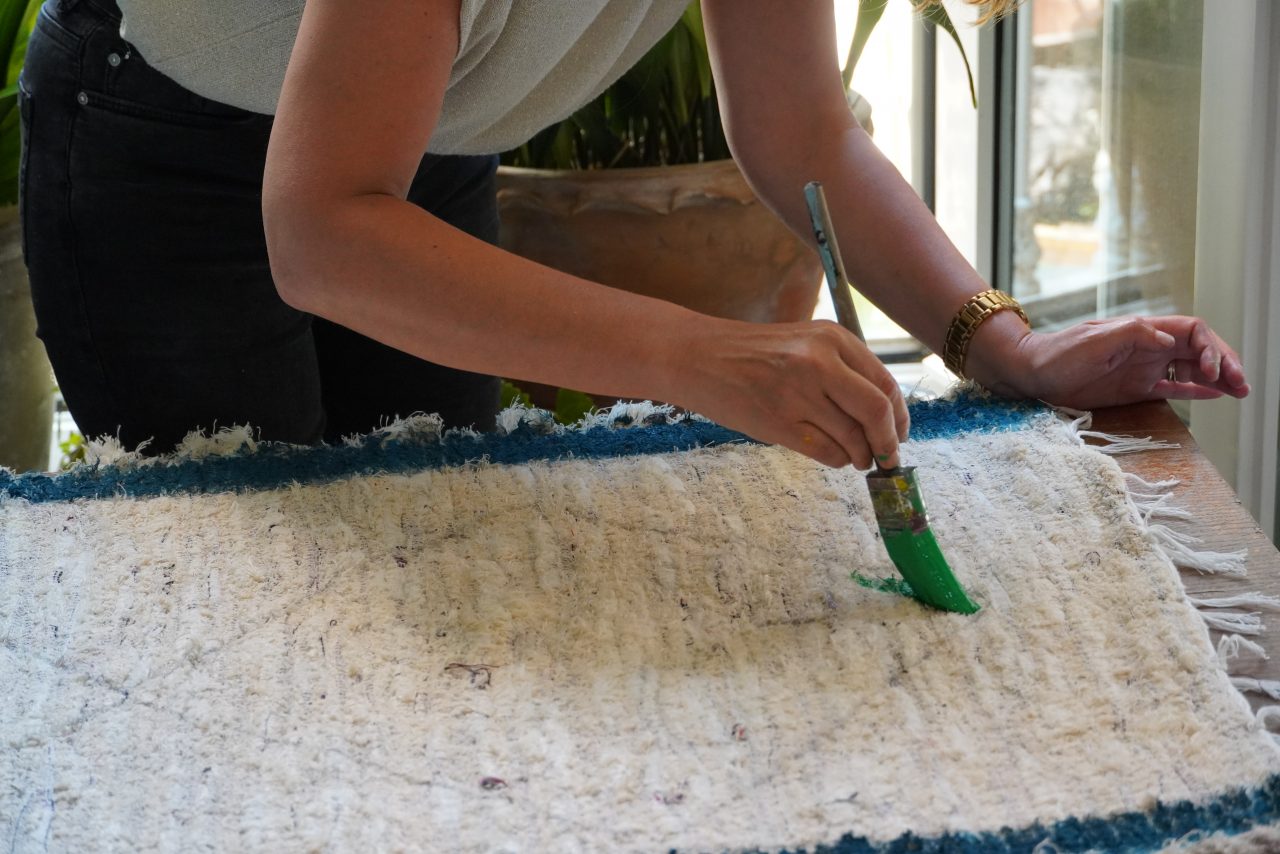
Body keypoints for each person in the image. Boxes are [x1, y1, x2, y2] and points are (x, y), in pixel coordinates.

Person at [19, 0, 1248, 472]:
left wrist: (1006, 346)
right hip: (166, 145)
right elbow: (322, 232)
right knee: (247, 642)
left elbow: (803, 133)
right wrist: (699, 356)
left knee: (433, 565)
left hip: (415, 150)